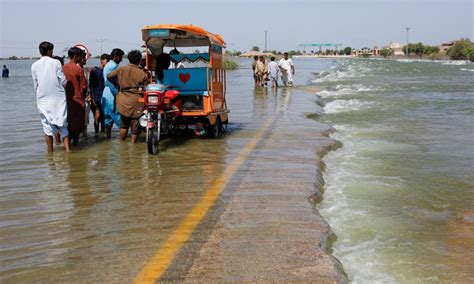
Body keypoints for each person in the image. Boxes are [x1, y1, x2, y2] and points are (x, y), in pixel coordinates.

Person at [31, 41, 70, 152]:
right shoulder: (56, 62)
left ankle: (50, 153)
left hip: (42, 100)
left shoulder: (34, 65)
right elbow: (63, 81)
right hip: (58, 99)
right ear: (49, 51)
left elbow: (36, 85)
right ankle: (67, 151)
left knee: (47, 128)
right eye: (51, 50)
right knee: (63, 125)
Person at [107, 50, 147, 143]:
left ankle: (122, 145)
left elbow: (109, 76)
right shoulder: (142, 73)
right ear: (139, 60)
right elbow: (145, 88)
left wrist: (117, 84)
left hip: (122, 100)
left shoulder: (121, 69)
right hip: (136, 101)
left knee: (123, 125)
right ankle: (133, 147)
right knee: (135, 125)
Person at [64, 47, 88, 146]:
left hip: (65, 100)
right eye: (81, 56)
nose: (82, 58)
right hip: (77, 100)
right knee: (78, 125)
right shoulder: (78, 69)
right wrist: (83, 97)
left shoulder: (63, 67)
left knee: (67, 124)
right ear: (75, 56)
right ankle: (75, 144)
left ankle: (67, 144)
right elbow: (84, 87)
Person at [102, 48, 124, 139]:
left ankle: (108, 138)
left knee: (107, 118)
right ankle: (123, 142)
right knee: (119, 118)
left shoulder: (108, 65)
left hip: (105, 93)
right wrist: (117, 93)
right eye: (120, 57)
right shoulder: (113, 66)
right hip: (111, 93)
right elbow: (109, 81)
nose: (121, 60)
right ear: (115, 57)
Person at [89, 53, 110, 134]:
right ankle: (102, 132)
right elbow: (91, 85)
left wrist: (92, 96)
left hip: (96, 96)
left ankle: (97, 133)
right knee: (103, 115)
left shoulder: (94, 71)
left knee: (97, 115)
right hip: (101, 96)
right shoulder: (106, 72)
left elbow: (90, 85)